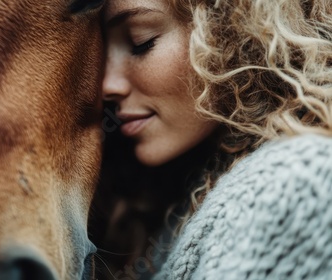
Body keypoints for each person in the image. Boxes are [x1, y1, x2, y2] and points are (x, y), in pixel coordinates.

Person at [102, 0, 332, 278]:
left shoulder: (297, 181)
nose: (107, 86)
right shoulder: (170, 195)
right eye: (99, 54)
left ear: (229, 31)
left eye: (141, 42)